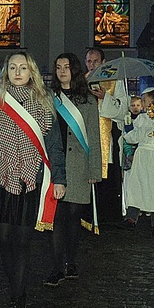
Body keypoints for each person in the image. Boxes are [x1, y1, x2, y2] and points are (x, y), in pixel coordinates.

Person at [0, 52, 66, 308]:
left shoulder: (44, 101)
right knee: (4, 239)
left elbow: (54, 144)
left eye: (23, 68)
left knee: (23, 241)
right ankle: (16, 287)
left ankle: (17, 300)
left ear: (32, 72)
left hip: (32, 178)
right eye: (13, 67)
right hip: (2, 178)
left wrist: (59, 179)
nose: (17, 72)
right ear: (6, 71)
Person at [46, 52, 103, 286]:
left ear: (75, 70)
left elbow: (94, 136)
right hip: (55, 166)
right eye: (58, 67)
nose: (62, 71)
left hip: (79, 165)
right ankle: (57, 266)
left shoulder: (87, 99)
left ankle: (71, 261)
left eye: (66, 67)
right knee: (57, 218)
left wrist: (94, 171)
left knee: (73, 217)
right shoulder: (49, 97)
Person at [119, 88, 154, 234]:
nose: (142, 103)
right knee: (137, 185)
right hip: (142, 155)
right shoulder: (141, 119)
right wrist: (129, 128)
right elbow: (134, 137)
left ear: (153, 101)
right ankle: (131, 218)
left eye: (144, 100)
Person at [86, 47, 129, 222]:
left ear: (103, 63)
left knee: (108, 176)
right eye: (89, 61)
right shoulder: (82, 82)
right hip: (87, 137)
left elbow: (123, 108)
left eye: (95, 61)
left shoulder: (114, 81)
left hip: (107, 139)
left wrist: (105, 98)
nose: (92, 65)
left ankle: (108, 217)